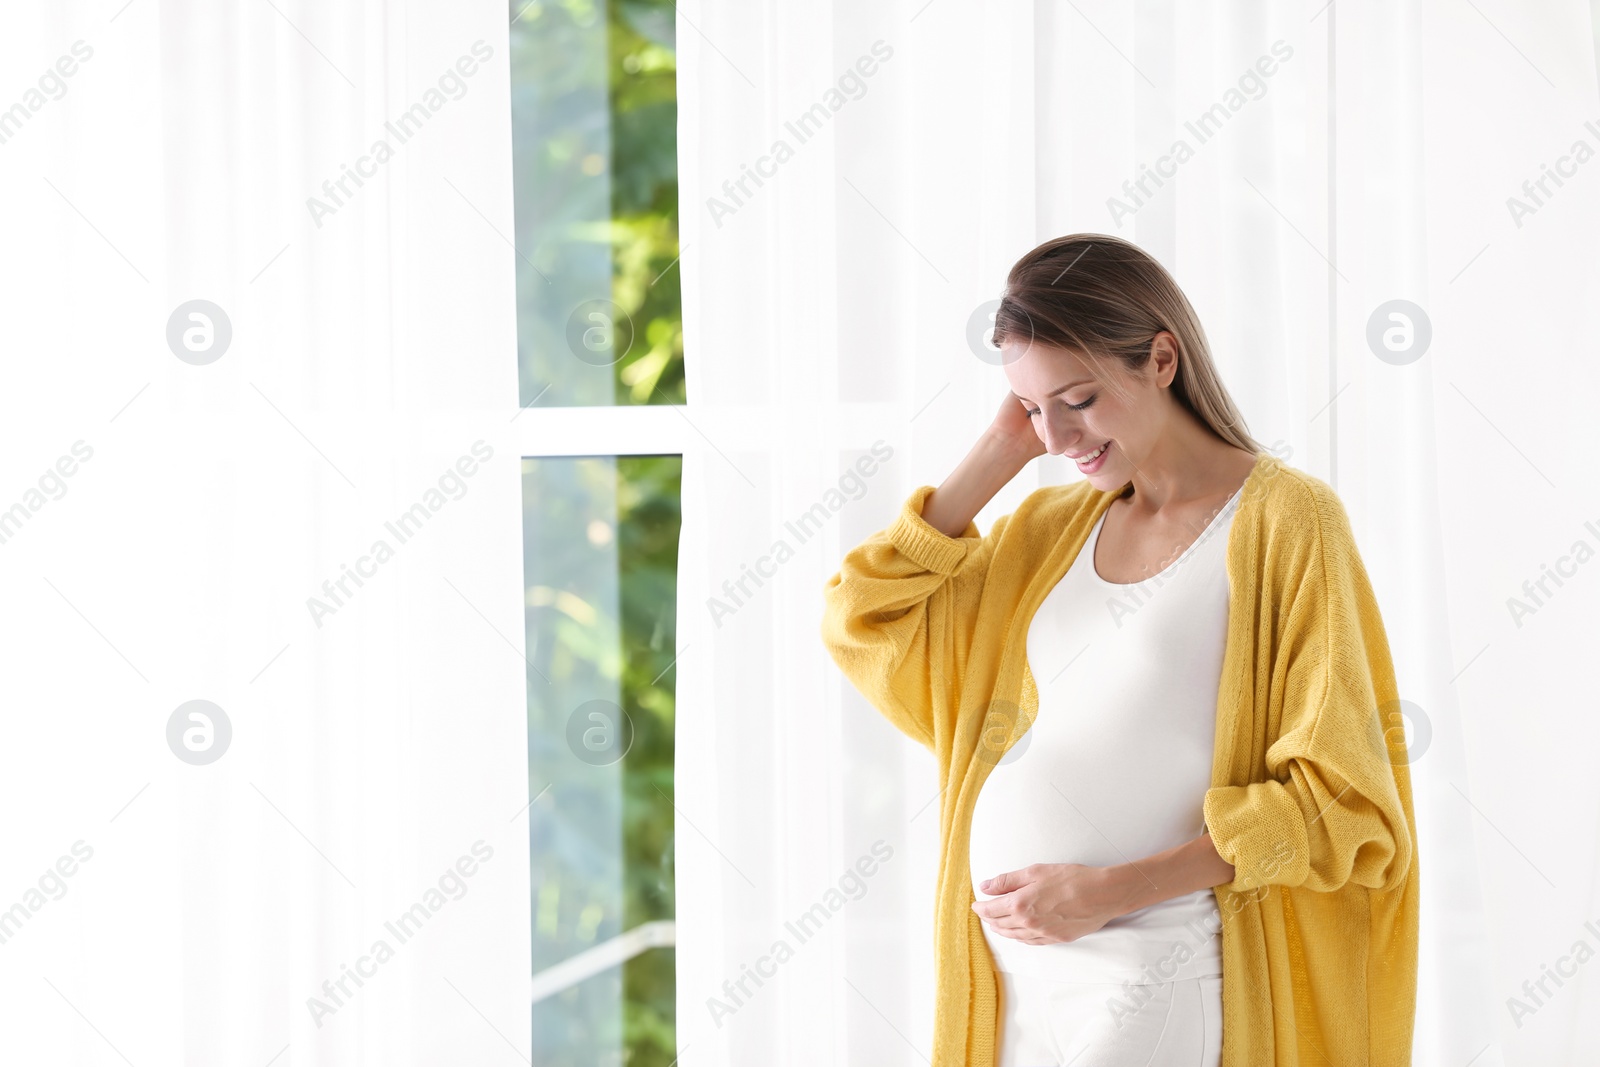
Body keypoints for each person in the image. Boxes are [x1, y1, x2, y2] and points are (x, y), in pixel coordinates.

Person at [820, 234, 1419, 1067]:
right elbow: (863, 615)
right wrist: (1000, 452)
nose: (1058, 435)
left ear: (1161, 358)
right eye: (1032, 409)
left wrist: (1110, 891)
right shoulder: (1043, 531)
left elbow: (1341, 800)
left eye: (1079, 399)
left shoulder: (1285, 522)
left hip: (1152, 966)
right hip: (1009, 979)